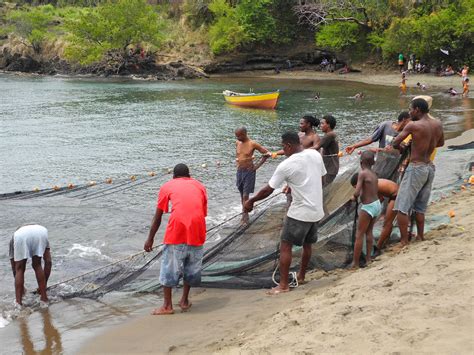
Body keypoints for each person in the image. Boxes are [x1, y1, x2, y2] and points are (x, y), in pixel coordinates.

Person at [244, 132, 326, 294]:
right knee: (307, 244)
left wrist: (251, 201)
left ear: (288, 146)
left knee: (286, 246)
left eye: (283, 147)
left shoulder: (286, 165)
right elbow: (320, 178)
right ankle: (301, 276)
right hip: (316, 210)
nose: (283, 150)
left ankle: (283, 285)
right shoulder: (315, 154)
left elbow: (268, 189)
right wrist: (293, 185)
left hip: (299, 213)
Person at [144, 163, 207, 315]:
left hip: (177, 232)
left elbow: (158, 216)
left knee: (169, 268)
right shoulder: (200, 186)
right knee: (190, 268)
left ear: (174, 176)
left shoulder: (168, 186)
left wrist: (150, 239)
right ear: (189, 176)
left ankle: (167, 306)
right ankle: (184, 301)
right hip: (197, 230)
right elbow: (201, 212)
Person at [392, 98, 444, 246]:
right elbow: (441, 143)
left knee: (402, 207)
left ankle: (403, 241)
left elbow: (395, 142)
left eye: (411, 109)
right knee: (420, 207)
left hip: (416, 167)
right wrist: (425, 144)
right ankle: (420, 236)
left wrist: (407, 146)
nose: (409, 112)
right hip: (429, 167)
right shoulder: (437, 124)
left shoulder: (413, 126)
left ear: (417, 110)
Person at [351, 175, 399, 255]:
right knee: (387, 222)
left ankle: (378, 247)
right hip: (394, 194)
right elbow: (380, 199)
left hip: (397, 195)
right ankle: (384, 243)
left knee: (387, 223)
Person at [351, 151, 381, 269]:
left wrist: (353, 197)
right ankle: (368, 259)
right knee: (369, 232)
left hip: (368, 207)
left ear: (361, 162)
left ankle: (355, 263)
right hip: (377, 204)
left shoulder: (362, 173)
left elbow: (357, 192)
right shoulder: (373, 174)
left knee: (359, 235)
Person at [9, 224, 52, 306]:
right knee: (37, 265)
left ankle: (18, 303)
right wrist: (43, 285)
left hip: (21, 237)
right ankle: (44, 298)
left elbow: (14, 267)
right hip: (41, 231)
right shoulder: (40, 231)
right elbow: (48, 262)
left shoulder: (15, 236)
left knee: (20, 269)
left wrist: (21, 288)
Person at [235, 127, 270, 224]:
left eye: (239, 136)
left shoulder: (252, 144)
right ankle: (245, 209)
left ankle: (245, 216)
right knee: (241, 192)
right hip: (239, 171)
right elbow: (238, 155)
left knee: (246, 194)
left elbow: (266, 154)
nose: (237, 138)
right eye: (236, 136)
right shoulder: (237, 143)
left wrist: (257, 166)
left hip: (249, 172)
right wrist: (238, 164)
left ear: (244, 134)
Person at [345, 111, 411, 154]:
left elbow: (403, 150)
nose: (413, 123)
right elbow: (370, 139)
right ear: (404, 120)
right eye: (410, 120)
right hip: (381, 159)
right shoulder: (385, 125)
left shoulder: (408, 133)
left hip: (395, 164)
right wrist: (354, 146)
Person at [311, 115, 339, 186]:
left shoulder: (329, 135)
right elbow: (321, 148)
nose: (320, 125)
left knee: (324, 187)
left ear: (328, 125)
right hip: (331, 165)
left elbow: (317, 147)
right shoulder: (331, 134)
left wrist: (300, 151)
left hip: (330, 167)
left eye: (322, 123)